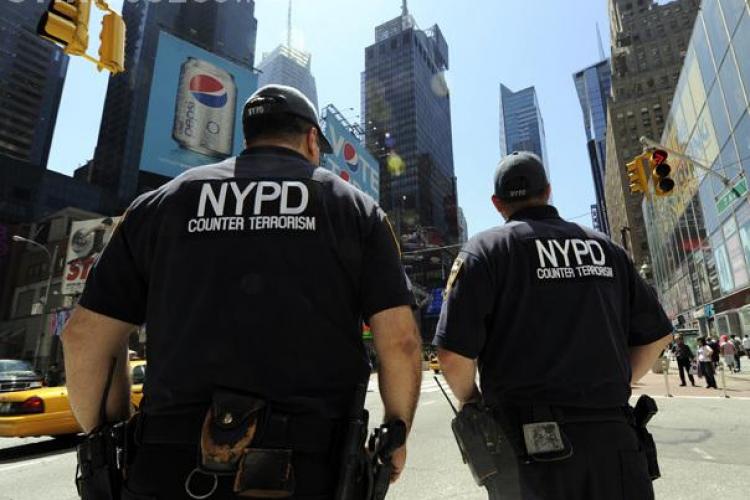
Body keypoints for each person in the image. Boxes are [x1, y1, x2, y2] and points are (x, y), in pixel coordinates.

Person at [62, 84, 422, 499]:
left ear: (248, 136)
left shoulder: (158, 205)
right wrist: (396, 435)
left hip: (166, 470)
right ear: (311, 140)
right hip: (311, 471)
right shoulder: (355, 209)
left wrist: (113, 437)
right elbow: (401, 341)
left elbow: (83, 337)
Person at [434, 151, 673, 499]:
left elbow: (452, 355)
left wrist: (471, 400)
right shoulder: (607, 250)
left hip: (530, 454)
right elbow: (658, 335)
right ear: (548, 191)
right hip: (615, 441)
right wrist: (619, 382)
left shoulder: (485, 252)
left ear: (497, 203)